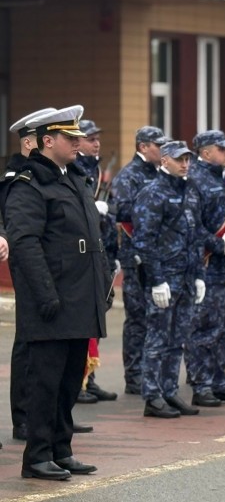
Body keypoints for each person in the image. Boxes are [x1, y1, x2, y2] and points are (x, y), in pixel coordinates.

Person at [6, 105, 109, 480]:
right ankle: (37, 456)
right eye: (70, 137)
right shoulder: (29, 184)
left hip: (80, 297)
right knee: (45, 383)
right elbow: (25, 244)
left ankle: (61, 449)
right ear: (48, 141)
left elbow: (90, 239)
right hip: (52, 301)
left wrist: (102, 285)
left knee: (68, 382)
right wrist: (45, 295)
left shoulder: (73, 179)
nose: (78, 143)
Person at [132, 140, 205, 419]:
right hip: (165, 277)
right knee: (157, 338)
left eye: (187, 159)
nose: (185, 164)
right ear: (164, 161)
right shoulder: (153, 192)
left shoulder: (190, 190)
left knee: (178, 338)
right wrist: (156, 280)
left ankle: (169, 390)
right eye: (179, 159)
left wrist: (199, 275)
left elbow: (196, 236)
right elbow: (143, 240)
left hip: (185, 276)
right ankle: (152, 396)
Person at [1, 108, 55, 444]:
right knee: (27, 340)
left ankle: (48, 415)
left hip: (50, 264)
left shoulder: (48, 173)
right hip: (27, 263)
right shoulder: (16, 177)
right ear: (28, 143)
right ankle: (23, 417)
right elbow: (9, 219)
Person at [185, 130, 225, 407]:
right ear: (206, 152)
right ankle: (201, 384)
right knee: (204, 329)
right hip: (208, 265)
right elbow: (191, 225)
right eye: (221, 149)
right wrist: (218, 244)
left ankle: (219, 381)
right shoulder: (194, 179)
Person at [112, 125, 168, 395]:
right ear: (143, 146)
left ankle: (151, 371)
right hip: (135, 255)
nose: (163, 150)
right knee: (137, 318)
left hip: (158, 253)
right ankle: (134, 375)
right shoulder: (130, 175)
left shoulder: (160, 173)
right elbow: (122, 211)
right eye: (159, 145)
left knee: (156, 317)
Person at [74, 118, 119, 404]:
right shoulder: (74, 170)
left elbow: (112, 212)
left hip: (103, 252)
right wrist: (93, 206)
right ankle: (77, 382)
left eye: (97, 138)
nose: (96, 143)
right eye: (91, 139)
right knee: (82, 323)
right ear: (77, 141)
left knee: (97, 320)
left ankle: (89, 378)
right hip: (84, 254)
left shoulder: (97, 170)